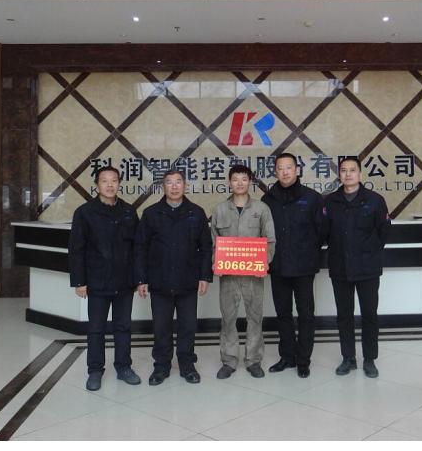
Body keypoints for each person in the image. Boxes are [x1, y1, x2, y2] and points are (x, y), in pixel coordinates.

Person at [135, 169, 213, 385]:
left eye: (178, 182)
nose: (175, 186)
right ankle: (161, 366)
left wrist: (205, 276)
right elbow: (140, 248)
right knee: (161, 327)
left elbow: (206, 247)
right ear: (163, 187)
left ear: (185, 185)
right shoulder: (151, 213)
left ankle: (187, 364)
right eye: (169, 182)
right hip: (159, 280)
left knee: (188, 326)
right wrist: (141, 279)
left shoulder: (196, 212)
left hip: (188, 280)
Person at [68, 165, 141, 391]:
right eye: (104, 181)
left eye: (114, 180)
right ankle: (95, 370)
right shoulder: (84, 212)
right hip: (97, 280)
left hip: (124, 281)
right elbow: (76, 249)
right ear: (97, 185)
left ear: (119, 183)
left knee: (123, 327)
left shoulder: (129, 211)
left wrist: (139, 278)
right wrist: (79, 281)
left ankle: (124, 367)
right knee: (96, 328)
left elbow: (138, 248)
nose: (110, 185)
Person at [323, 156, 390, 378]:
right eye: (343, 170)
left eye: (352, 170)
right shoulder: (330, 202)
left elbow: (384, 232)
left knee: (369, 314)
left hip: (367, 267)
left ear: (360, 174)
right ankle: (348, 358)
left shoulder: (375, 200)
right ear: (339, 174)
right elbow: (324, 232)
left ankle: (369, 359)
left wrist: (368, 251)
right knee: (344, 315)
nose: (348, 174)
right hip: (340, 267)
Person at [261, 152, 325, 378]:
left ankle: (303, 360)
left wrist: (307, 250)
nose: (285, 172)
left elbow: (322, 231)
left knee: (306, 314)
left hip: (304, 266)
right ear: (275, 172)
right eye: (280, 168)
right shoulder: (268, 200)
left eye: (289, 167)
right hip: (278, 266)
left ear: (296, 169)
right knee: (283, 314)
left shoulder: (312, 198)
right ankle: (287, 356)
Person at [210, 165, 276, 379]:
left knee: (255, 317)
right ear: (229, 182)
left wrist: (264, 262)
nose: (239, 183)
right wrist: (215, 262)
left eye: (244, 179)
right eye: (235, 179)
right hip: (228, 276)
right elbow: (213, 242)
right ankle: (229, 361)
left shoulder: (262, 209)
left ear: (250, 182)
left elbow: (270, 240)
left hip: (253, 275)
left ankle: (253, 360)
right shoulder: (220, 209)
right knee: (228, 318)